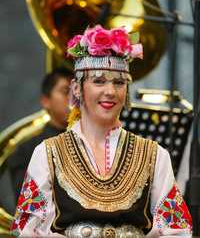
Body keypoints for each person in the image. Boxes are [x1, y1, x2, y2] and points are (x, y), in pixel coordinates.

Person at [11, 25, 192, 237]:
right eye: (98, 81)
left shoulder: (155, 155)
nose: (110, 91)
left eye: (119, 82)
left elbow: (177, 231)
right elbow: (28, 231)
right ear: (77, 88)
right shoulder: (47, 153)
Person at [8, 67, 73, 201]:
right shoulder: (25, 151)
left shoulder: (94, 141)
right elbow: (30, 203)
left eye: (78, 92)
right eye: (66, 91)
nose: (74, 98)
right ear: (46, 101)